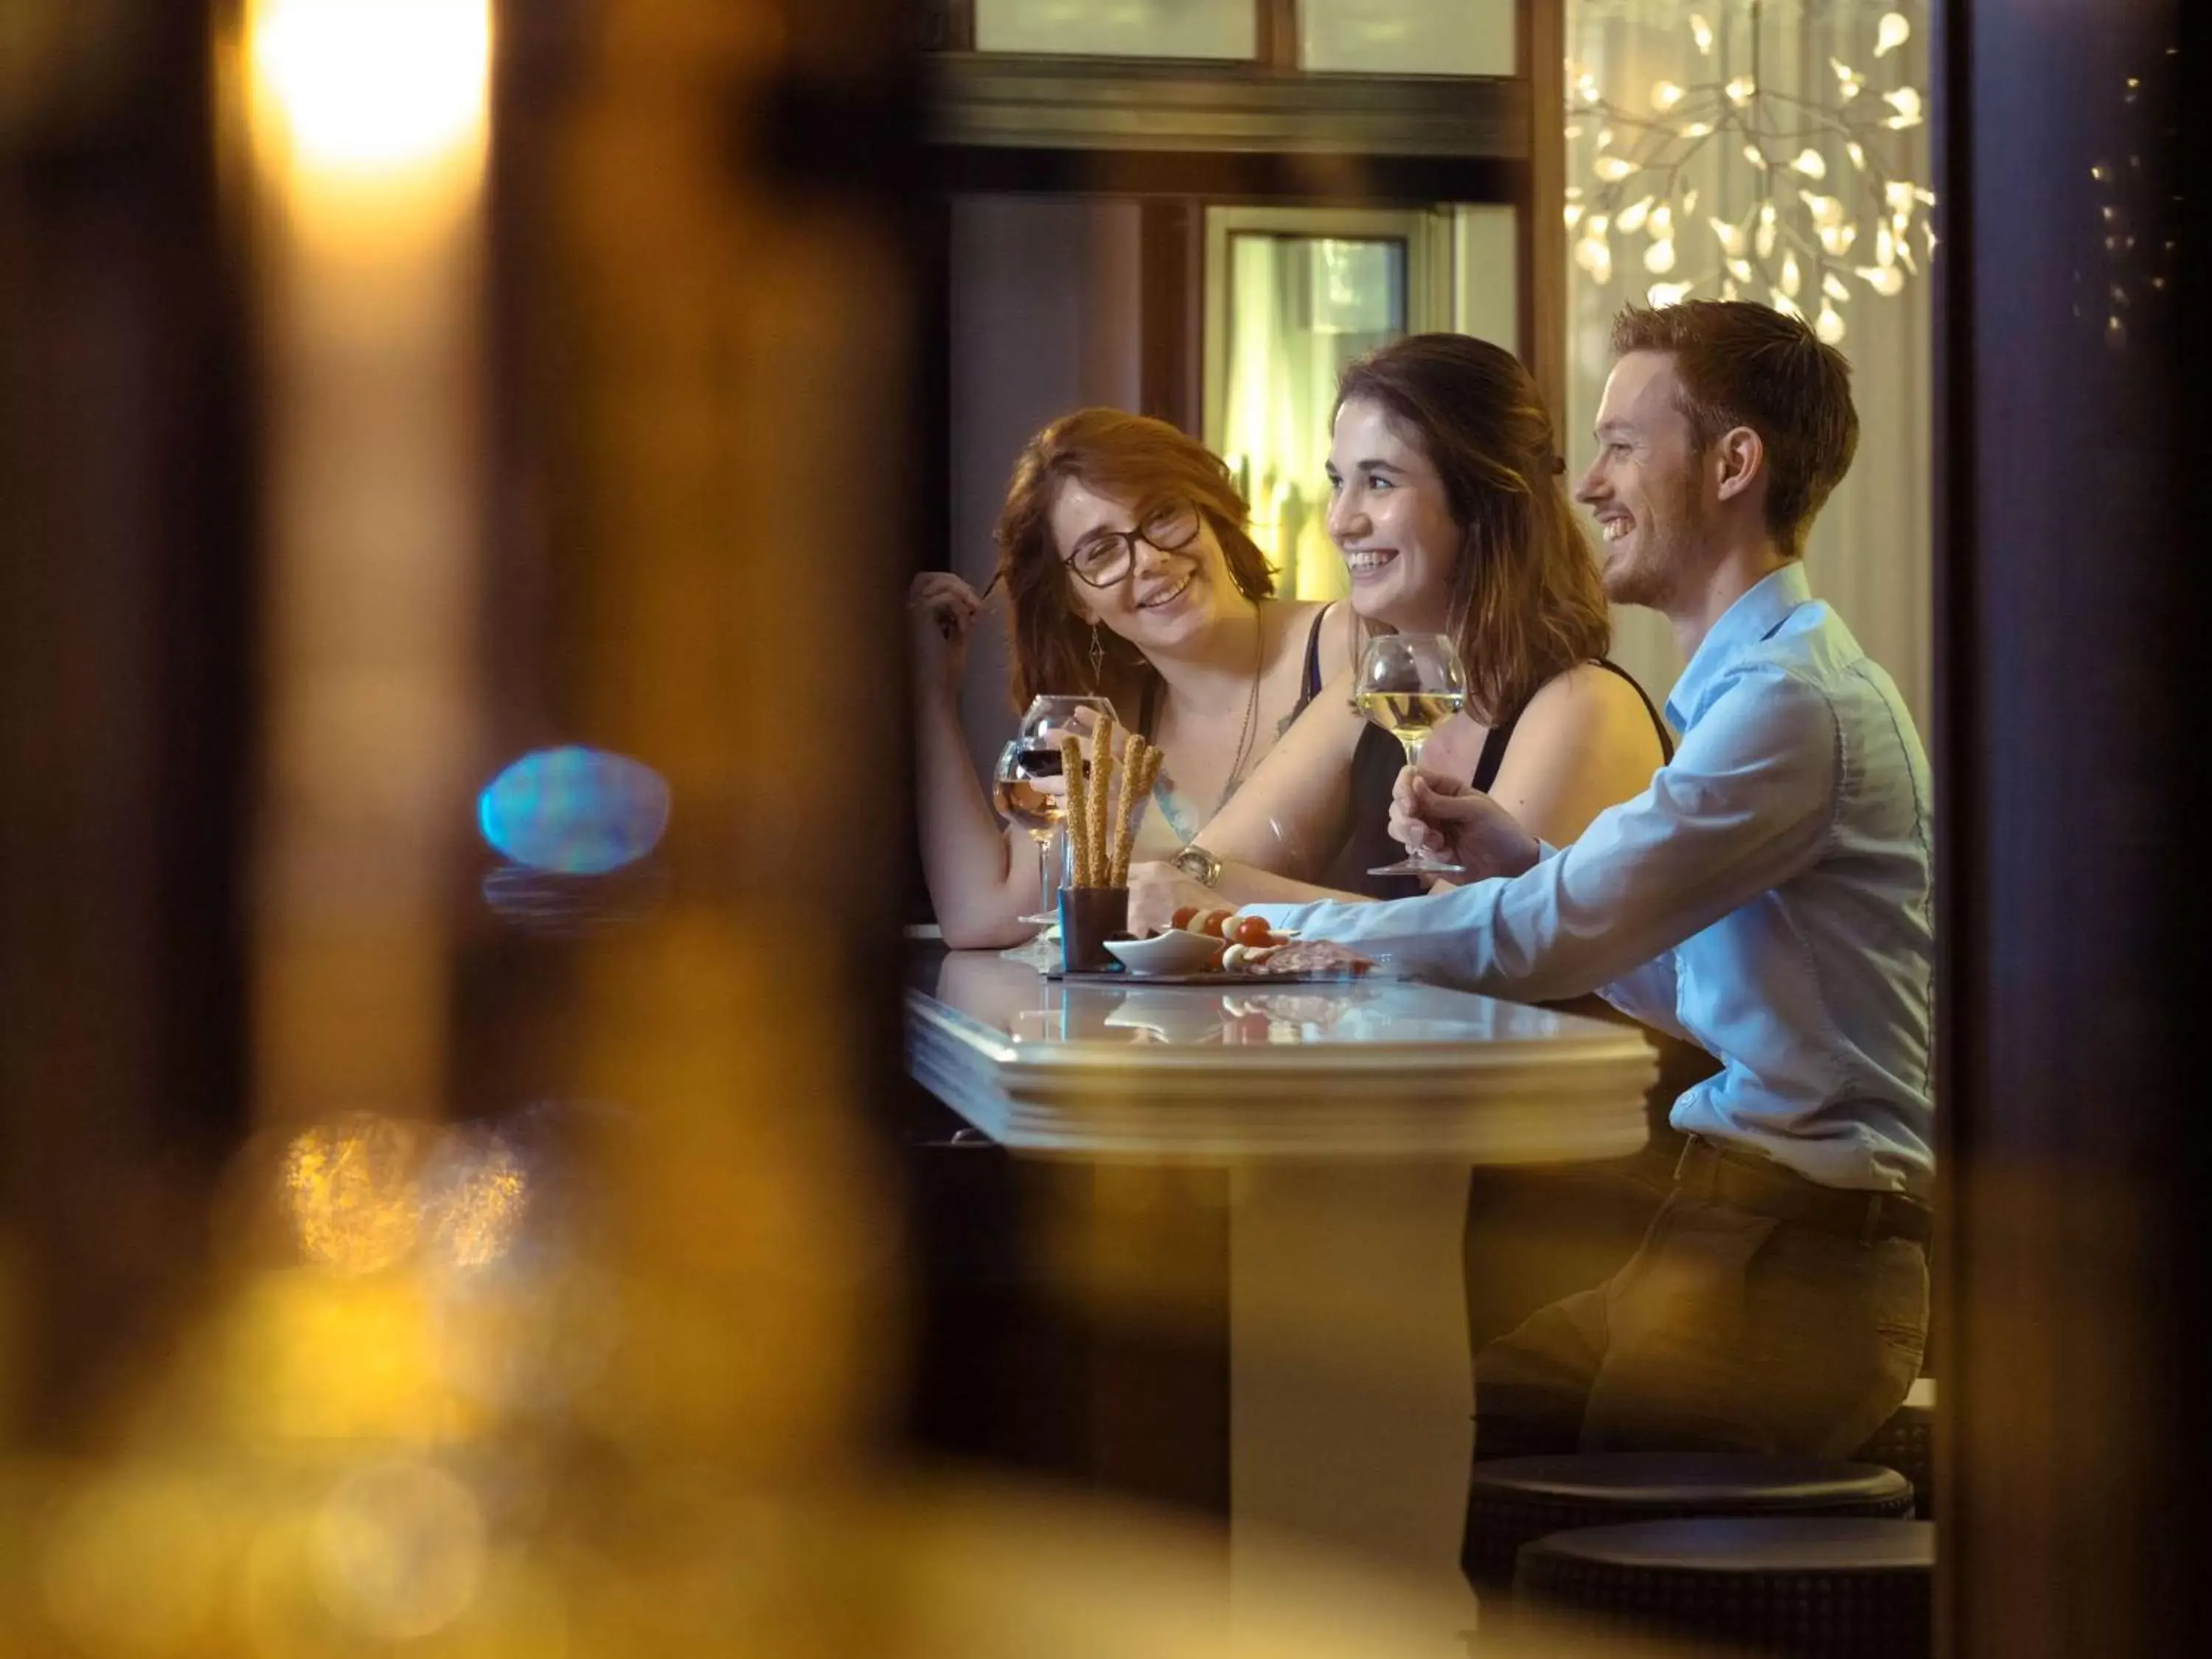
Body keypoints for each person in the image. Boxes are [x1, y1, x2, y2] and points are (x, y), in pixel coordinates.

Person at [1242, 300, 1933, 1464]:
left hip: (1802, 1250)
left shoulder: (1789, 704)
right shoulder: (1751, 689)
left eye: (1621, 443)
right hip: (1723, 1220)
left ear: (1732, 464)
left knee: (1547, 1543)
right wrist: (1526, 857)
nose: (1589, 483)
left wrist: (1283, 926)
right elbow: (1668, 969)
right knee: (1468, 1425)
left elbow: (1548, 942)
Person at [1126, 333, 1669, 931]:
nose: (1341, 522)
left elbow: (1456, 942)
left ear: (1483, 502)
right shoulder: (1373, 694)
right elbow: (1204, 866)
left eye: (1379, 482)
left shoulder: (1583, 705)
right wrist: (1193, 877)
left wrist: (1230, 898)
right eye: (1338, 482)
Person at [911, 409, 1356, 947]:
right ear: (1079, 601)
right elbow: (982, 916)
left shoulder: (1344, 645)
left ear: (1210, 512)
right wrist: (930, 699)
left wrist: (1141, 827)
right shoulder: (1115, 717)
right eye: (1101, 551)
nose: (1149, 558)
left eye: (1163, 514)